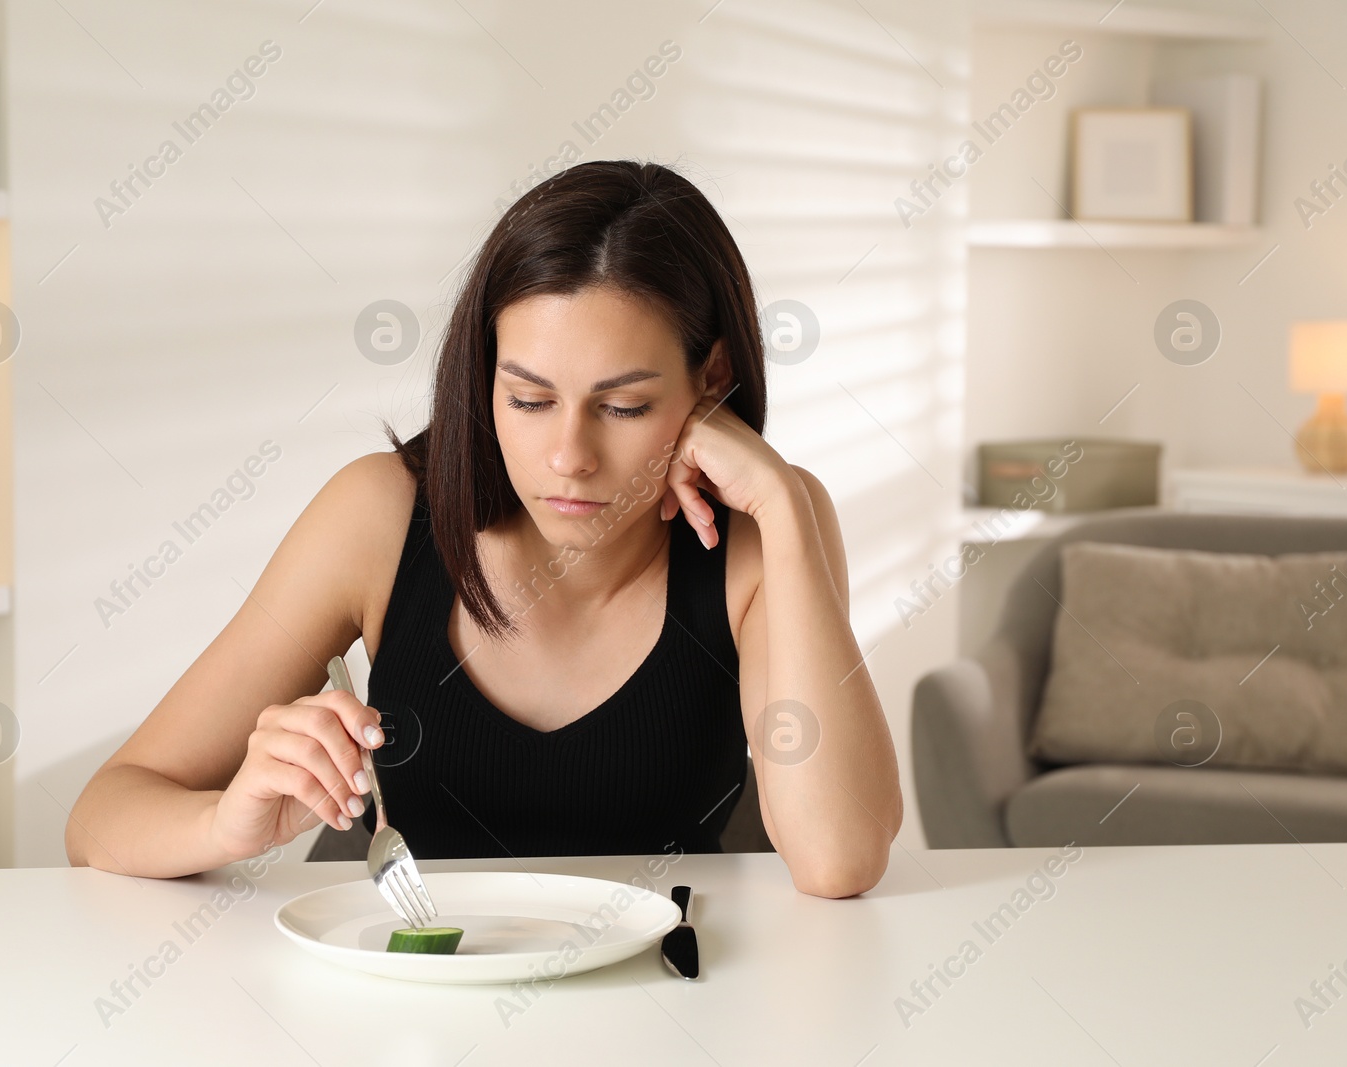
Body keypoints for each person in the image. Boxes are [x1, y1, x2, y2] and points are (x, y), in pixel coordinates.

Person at [65, 159, 902, 898]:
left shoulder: (763, 533)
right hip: (411, 1005)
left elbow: (840, 861)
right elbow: (105, 812)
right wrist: (226, 826)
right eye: (530, 399)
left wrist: (785, 503)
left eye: (624, 405)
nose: (569, 455)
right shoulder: (381, 515)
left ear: (711, 377)